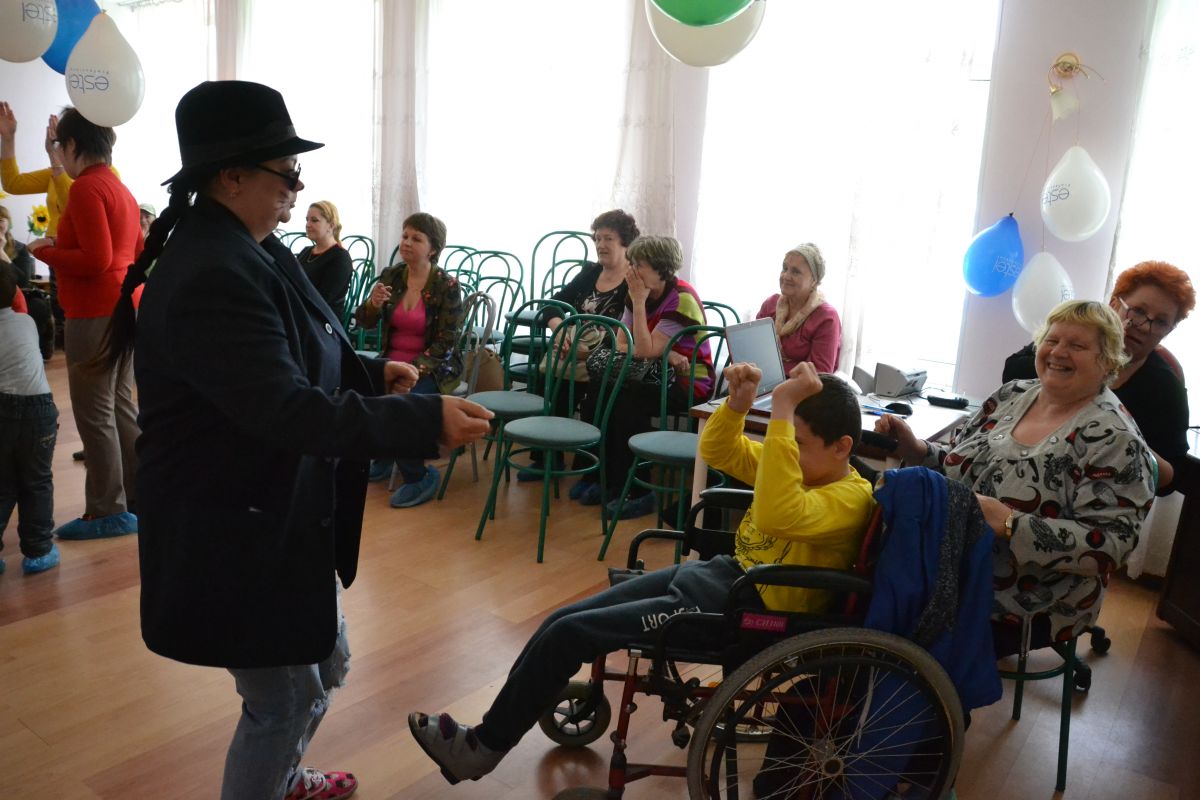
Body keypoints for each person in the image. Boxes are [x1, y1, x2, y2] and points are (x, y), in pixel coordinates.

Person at [104, 80, 491, 800]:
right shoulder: (212, 273)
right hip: (234, 527)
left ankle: (279, 778)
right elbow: (284, 409)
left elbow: (293, 349)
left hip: (273, 516)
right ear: (231, 176)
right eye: (287, 173)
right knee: (283, 699)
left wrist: (369, 373)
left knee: (326, 662)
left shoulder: (250, 247)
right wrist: (421, 420)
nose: (297, 188)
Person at [408, 363, 875, 785]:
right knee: (561, 619)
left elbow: (776, 512)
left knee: (570, 635)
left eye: (797, 443)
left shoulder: (849, 500)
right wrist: (736, 407)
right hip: (720, 579)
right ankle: (488, 737)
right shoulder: (800, 469)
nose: (787, 451)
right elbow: (716, 450)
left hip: (749, 614)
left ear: (842, 448)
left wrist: (783, 410)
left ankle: (482, 747)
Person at [878, 300, 1157, 655]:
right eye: (1051, 340)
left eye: (1077, 345)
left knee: (886, 605)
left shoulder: (1115, 440)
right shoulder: (1011, 395)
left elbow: (1110, 547)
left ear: (1107, 361)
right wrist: (916, 448)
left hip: (1027, 596)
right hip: (947, 560)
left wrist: (1010, 523)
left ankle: (895, 679)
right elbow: (958, 461)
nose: (1058, 352)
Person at [26, 108, 141, 540]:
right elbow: (133, 250)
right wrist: (61, 243)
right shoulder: (120, 189)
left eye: (60, 146)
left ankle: (107, 510)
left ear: (72, 145)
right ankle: (137, 495)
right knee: (120, 406)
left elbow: (96, 259)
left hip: (94, 311)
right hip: (122, 306)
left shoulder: (86, 188)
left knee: (94, 414)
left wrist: (44, 251)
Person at [1002, 260, 1193, 494]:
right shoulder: (1070, 338)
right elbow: (1013, 373)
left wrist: (1121, 439)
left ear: (1169, 330)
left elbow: (1172, 478)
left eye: (1161, 321)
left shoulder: (1164, 387)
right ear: (1114, 304)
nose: (1144, 327)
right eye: (1138, 311)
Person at [592, 235, 714, 519]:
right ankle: (609, 480)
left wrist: (638, 303)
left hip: (688, 382)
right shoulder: (638, 292)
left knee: (627, 401)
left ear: (662, 268)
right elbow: (621, 344)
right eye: (632, 263)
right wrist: (665, 354)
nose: (632, 271)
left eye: (640, 265)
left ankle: (639, 491)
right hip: (653, 373)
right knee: (602, 389)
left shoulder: (681, 299)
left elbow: (643, 350)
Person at [522, 208, 638, 487]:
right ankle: (547, 457)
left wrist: (590, 351)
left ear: (625, 242)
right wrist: (560, 330)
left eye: (608, 238)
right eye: (597, 238)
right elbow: (551, 305)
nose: (600, 244)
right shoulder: (590, 272)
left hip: (609, 354)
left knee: (596, 395)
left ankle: (589, 469)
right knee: (548, 381)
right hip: (572, 349)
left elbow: (631, 330)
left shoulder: (634, 279)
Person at [354, 212, 463, 508]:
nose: (407, 242)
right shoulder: (391, 275)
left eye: (416, 238)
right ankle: (383, 455)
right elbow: (363, 321)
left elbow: (446, 343)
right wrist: (372, 304)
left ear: (433, 249)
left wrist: (411, 371)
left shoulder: (447, 286)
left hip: (434, 367)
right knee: (360, 386)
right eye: (405, 236)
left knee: (403, 402)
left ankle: (419, 476)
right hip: (392, 361)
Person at [0, 266, 60, 576]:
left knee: (2, 482)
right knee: (37, 481)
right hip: (39, 409)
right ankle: (39, 551)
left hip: (3, 410)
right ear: (14, 293)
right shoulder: (26, 322)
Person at [756, 243, 841, 374]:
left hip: (799, 387)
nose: (786, 276)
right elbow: (754, 349)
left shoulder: (826, 317)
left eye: (795, 272)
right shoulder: (770, 304)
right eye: (785, 268)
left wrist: (774, 369)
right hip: (761, 380)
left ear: (814, 280)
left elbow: (819, 374)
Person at [1, 203, 52, 359]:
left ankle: (33, 352)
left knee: (38, 306)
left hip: (17, 295)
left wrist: (1, 252)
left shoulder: (19, 248)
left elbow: (23, 280)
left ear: (8, 223)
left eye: (1, 220)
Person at [297, 200, 353, 324]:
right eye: (307, 220)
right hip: (302, 314)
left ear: (331, 225)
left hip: (323, 323)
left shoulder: (340, 258)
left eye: (314, 220)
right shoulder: (306, 252)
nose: (308, 224)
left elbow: (322, 300)